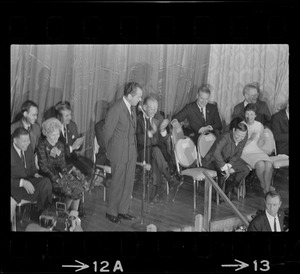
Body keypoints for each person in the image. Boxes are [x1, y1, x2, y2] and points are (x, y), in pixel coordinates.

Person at [103, 82, 143, 223]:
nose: (140, 99)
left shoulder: (132, 108)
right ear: (130, 95)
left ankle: (123, 210)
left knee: (128, 182)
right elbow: (106, 133)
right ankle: (111, 211)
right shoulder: (116, 109)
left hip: (131, 152)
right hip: (118, 152)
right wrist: (110, 151)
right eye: (138, 96)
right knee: (118, 182)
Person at [136, 96, 179, 203]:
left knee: (155, 155)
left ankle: (156, 190)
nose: (155, 111)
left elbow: (164, 139)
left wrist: (163, 132)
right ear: (145, 107)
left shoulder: (159, 118)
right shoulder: (138, 119)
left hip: (158, 152)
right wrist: (150, 134)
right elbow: (139, 139)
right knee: (155, 152)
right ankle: (169, 178)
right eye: (152, 108)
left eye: (156, 108)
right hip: (144, 152)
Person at [37, 118, 84, 212]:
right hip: (48, 177)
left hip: (60, 174)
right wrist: (56, 178)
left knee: (78, 187)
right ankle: (63, 213)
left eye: (58, 134)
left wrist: (65, 174)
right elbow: (44, 167)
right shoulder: (42, 146)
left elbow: (63, 163)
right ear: (46, 134)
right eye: (53, 135)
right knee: (71, 190)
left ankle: (72, 215)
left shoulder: (60, 145)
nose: (56, 137)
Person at [203, 121, 250, 199]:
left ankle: (229, 188)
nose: (240, 138)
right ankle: (219, 196)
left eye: (242, 136)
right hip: (213, 160)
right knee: (223, 173)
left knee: (245, 169)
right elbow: (216, 152)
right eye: (238, 135)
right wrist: (225, 167)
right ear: (234, 130)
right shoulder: (225, 136)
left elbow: (238, 154)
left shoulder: (244, 138)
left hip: (228, 160)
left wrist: (229, 165)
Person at [11, 127, 52, 213]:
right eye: (24, 141)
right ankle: (43, 214)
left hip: (28, 179)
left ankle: (44, 213)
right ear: (15, 141)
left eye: (28, 140)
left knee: (46, 182)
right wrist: (22, 183)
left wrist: (35, 174)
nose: (27, 143)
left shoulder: (28, 148)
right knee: (41, 192)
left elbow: (32, 167)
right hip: (15, 186)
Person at [241, 103, 274, 194]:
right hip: (245, 152)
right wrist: (250, 138)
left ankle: (266, 187)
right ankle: (265, 187)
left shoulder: (259, 125)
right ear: (244, 114)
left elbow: (261, 141)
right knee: (260, 165)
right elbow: (238, 145)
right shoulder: (241, 125)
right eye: (247, 114)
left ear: (255, 115)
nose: (249, 116)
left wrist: (262, 141)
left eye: (251, 114)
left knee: (269, 164)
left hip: (257, 150)